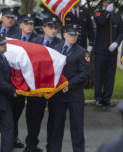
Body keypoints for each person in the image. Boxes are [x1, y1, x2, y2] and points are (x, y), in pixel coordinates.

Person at [47, 24, 90, 152]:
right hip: (58, 95)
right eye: (71, 34)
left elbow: (85, 73)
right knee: (56, 125)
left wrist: (69, 85)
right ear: (64, 34)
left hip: (74, 94)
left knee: (77, 127)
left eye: (75, 35)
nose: (73, 37)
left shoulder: (83, 52)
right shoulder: (56, 48)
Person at [23, 17, 63, 152]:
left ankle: (52, 147)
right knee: (33, 116)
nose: (53, 30)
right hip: (38, 86)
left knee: (54, 118)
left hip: (54, 88)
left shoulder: (61, 44)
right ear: (44, 28)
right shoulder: (34, 42)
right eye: (51, 27)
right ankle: (31, 144)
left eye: (55, 28)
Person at [10, 13, 38, 148]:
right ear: (20, 25)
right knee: (14, 112)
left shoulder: (38, 40)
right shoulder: (13, 39)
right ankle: (12, 138)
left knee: (33, 115)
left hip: (32, 82)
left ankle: (31, 144)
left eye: (31, 24)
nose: (29, 26)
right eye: (26, 23)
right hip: (17, 82)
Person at [93, 0, 123, 107]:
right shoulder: (98, 13)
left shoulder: (117, 16)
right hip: (101, 51)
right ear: (103, 3)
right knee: (99, 75)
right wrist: (106, 12)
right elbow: (100, 22)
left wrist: (116, 42)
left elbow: (121, 32)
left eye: (111, 2)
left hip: (112, 51)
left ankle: (107, 98)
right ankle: (98, 97)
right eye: (107, 2)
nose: (110, 4)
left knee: (110, 76)